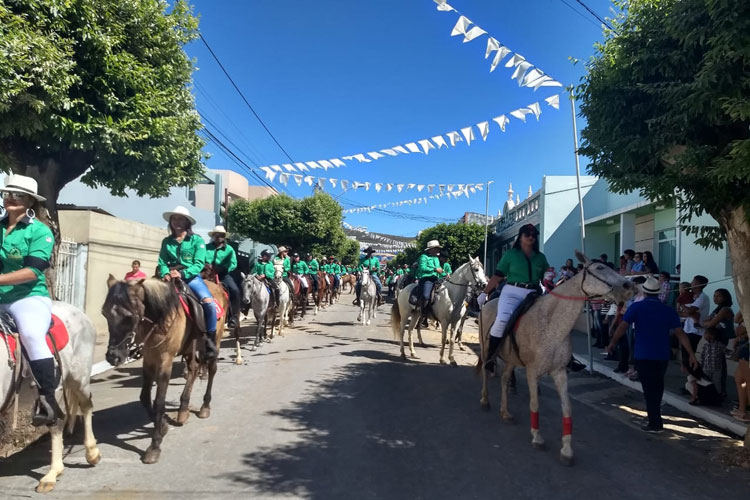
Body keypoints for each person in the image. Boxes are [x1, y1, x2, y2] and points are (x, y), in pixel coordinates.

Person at [0, 175, 58, 426]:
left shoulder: (40, 231)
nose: (11, 198)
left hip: (28, 297)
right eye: (7, 193)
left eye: (18, 195)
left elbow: (33, 271)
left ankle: (47, 401)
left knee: (33, 335)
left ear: (30, 202)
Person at [607, 276, 698, 433]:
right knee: (657, 385)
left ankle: (655, 422)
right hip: (662, 354)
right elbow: (680, 333)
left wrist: (613, 343)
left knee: (649, 389)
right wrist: (691, 353)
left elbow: (622, 327)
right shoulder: (668, 310)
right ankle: (655, 418)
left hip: (643, 354)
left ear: (645, 292)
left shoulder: (637, 308)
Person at [479, 224, 548, 372]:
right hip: (512, 292)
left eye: (533, 234)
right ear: (520, 237)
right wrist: (485, 292)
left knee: (550, 319)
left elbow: (545, 277)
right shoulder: (510, 254)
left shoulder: (541, 257)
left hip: (534, 293)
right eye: (527, 234)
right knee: (503, 318)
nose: (531, 237)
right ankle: (491, 356)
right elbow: (498, 275)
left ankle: (563, 357)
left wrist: (547, 281)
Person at [157, 206, 216, 360]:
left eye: (181, 219)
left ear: (187, 222)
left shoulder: (197, 240)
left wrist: (182, 273)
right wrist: (165, 273)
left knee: (208, 302)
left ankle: (210, 339)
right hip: (169, 277)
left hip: (190, 277)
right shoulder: (167, 241)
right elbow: (162, 261)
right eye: (174, 218)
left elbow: (198, 264)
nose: (177, 222)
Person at [702, 288, 734, 397]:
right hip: (713, 338)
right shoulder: (717, 309)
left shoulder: (725, 309)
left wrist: (709, 323)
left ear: (725, 297)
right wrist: (708, 323)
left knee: (718, 367)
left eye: (718, 296)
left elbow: (711, 323)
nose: (715, 298)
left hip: (721, 338)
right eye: (714, 296)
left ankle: (720, 391)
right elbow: (707, 321)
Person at [205, 225, 240, 328]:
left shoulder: (229, 249)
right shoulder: (206, 247)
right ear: (213, 235)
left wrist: (222, 268)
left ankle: (234, 317)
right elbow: (200, 258)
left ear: (224, 236)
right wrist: (206, 266)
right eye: (216, 234)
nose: (219, 236)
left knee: (235, 290)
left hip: (223, 274)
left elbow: (233, 263)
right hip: (206, 273)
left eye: (221, 235)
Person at [686, 327, 724, 406]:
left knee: (717, 382)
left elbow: (724, 353)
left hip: (716, 368)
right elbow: (703, 357)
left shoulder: (719, 345)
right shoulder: (706, 346)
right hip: (706, 367)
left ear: (712, 336)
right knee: (708, 381)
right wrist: (702, 366)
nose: (704, 335)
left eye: (706, 334)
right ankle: (712, 396)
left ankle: (718, 395)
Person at [680, 275, 710, 370]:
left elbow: (689, 311)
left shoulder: (703, 297)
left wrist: (683, 305)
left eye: (693, 282)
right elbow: (683, 313)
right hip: (687, 328)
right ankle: (690, 381)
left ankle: (696, 379)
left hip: (695, 330)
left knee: (689, 356)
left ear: (697, 285)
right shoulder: (691, 296)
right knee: (685, 356)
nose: (691, 284)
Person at [415, 240, 443, 316]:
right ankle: (423, 313)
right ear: (431, 249)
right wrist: (434, 269)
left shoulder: (436, 258)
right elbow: (422, 268)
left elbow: (439, 268)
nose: (438, 250)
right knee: (426, 295)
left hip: (437, 279)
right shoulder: (423, 257)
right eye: (436, 248)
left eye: (438, 248)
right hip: (427, 279)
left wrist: (443, 274)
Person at [731, 312, 750, 422]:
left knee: (748, 380)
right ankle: (742, 408)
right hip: (743, 345)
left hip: (747, 347)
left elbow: (740, 330)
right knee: (739, 378)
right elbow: (736, 319)